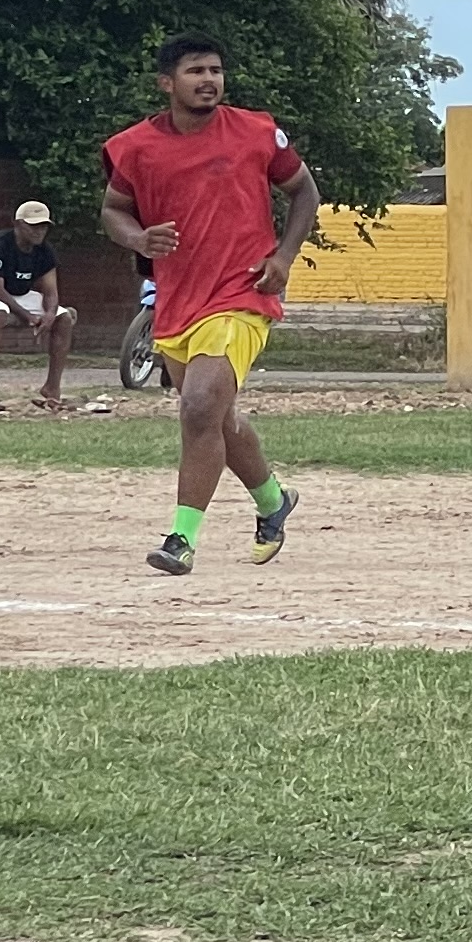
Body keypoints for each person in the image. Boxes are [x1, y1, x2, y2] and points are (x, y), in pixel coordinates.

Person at [101, 34, 316, 576]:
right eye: (196, 71)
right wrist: (137, 238)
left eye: (216, 70)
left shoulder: (256, 131)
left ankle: (181, 539)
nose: (209, 80)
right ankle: (272, 502)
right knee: (216, 419)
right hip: (177, 303)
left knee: (198, 406)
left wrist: (284, 256)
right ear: (166, 83)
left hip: (242, 294)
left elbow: (304, 192)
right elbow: (113, 211)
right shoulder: (133, 147)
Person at [0, 197, 75, 415]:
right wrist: (27, 316)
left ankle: (52, 387)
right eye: (33, 225)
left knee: (64, 318)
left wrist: (50, 314)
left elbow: (50, 290)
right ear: (18, 224)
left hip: (18, 293)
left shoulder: (46, 251)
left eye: (43, 226)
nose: (39, 231)